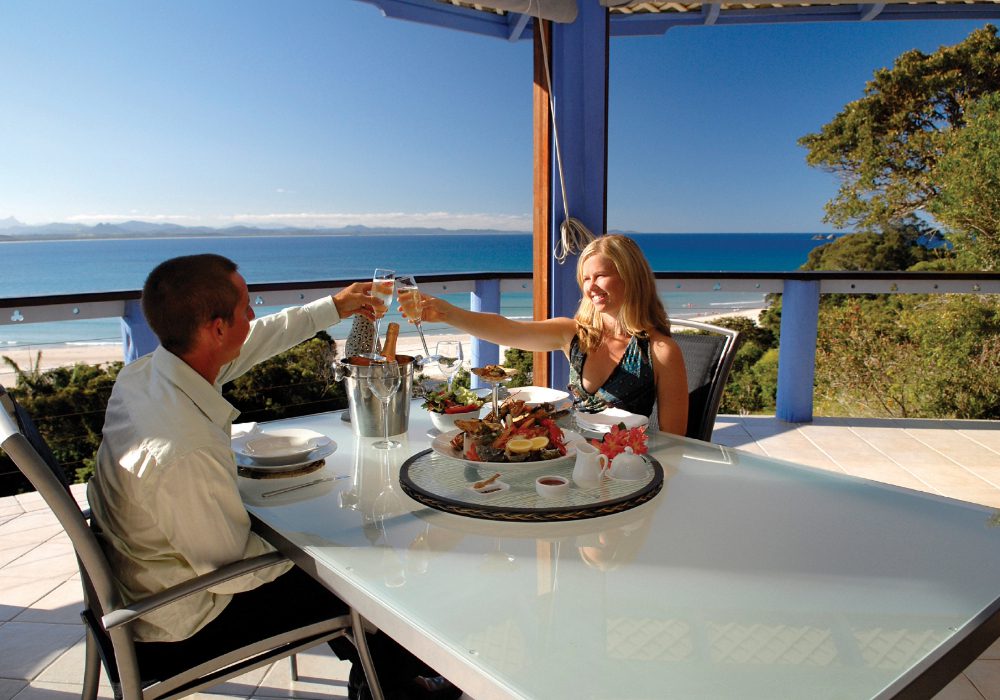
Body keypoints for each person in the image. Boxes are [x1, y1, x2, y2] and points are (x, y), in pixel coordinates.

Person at [87, 254, 456, 700]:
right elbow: (235, 574)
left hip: (149, 575)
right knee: (369, 573)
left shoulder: (149, 374)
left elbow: (260, 338)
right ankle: (395, 688)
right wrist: (328, 532)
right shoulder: (184, 450)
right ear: (216, 328)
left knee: (350, 556)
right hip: (178, 620)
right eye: (246, 307)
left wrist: (333, 307)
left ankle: (379, 676)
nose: (253, 315)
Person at [405, 234, 689, 435]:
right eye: (586, 279)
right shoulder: (576, 334)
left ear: (631, 277)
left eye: (601, 275)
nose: (591, 287)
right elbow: (510, 331)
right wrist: (447, 314)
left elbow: (676, 440)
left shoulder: (660, 350)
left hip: (623, 464)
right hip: (571, 454)